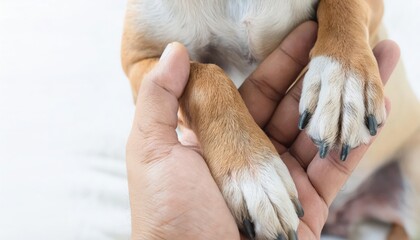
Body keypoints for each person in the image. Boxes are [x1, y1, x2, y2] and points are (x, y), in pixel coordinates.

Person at [125, 21, 400, 239]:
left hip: (386, 159)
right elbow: (142, 61)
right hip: (299, 178)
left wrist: (345, 29)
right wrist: (209, 105)